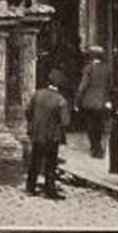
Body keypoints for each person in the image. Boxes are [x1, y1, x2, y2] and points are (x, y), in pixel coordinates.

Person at [25, 70, 71, 199]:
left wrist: (33, 124)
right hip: (52, 136)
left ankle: (30, 187)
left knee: (34, 161)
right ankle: (50, 190)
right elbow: (65, 121)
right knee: (50, 164)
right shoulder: (60, 100)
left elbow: (28, 111)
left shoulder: (37, 94)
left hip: (37, 133)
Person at [74, 46, 112, 158]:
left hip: (89, 101)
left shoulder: (89, 68)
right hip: (102, 101)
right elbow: (109, 86)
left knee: (91, 125)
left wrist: (77, 101)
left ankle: (95, 147)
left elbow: (83, 86)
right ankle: (99, 146)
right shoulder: (107, 68)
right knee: (99, 124)